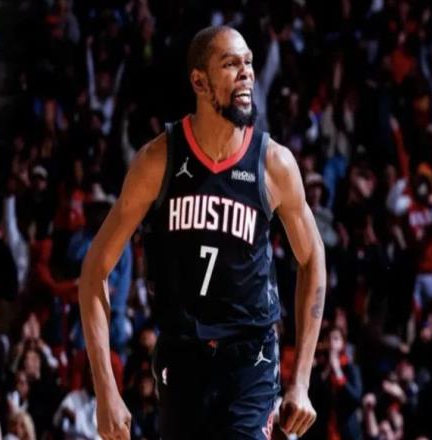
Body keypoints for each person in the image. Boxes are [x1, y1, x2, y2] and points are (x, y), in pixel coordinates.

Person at [78, 25, 326, 440]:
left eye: (248, 62)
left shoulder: (274, 164)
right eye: (230, 64)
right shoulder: (158, 160)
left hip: (250, 358)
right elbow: (93, 273)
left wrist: (301, 380)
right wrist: (106, 392)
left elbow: (313, 258)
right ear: (199, 82)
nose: (246, 72)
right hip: (182, 355)